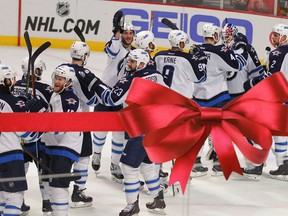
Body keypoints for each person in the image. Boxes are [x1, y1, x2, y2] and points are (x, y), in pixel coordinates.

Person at [78, 49, 167, 216]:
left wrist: (95, 83)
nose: (129, 64)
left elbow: (110, 99)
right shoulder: (157, 75)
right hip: (157, 126)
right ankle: (158, 198)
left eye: (132, 62)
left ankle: (132, 204)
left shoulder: (130, 79)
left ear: (141, 64)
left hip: (141, 128)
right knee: (147, 165)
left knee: (128, 165)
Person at [192, 23, 246, 177]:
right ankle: (219, 164)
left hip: (199, 97)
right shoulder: (220, 51)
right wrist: (241, 52)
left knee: (198, 132)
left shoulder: (195, 50)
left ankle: (195, 162)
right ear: (215, 36)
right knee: (220, 131)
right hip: (218, 97)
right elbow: (236, 66)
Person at [153, 29, 207, 178]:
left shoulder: (158, 56)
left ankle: (157, 170)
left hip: (163, 102)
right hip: (182, 104)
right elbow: (200, 78)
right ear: (181, 42)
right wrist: (200, 58)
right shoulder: (187, 58)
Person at [92, 10, 135, 184]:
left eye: (131, 33)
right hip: (105, 92)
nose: (128, 35)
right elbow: (110, 49)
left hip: (122, 97)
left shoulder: (136, 53)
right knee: (101, 129)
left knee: (119, 134)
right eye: (125, 32)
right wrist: (115, 32)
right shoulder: (115, 45)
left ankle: (114, 164)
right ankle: (96, 154)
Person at [221, 23, 266, 179]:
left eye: (228, 35)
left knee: (246, 131)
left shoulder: (245, 50)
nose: (225, 38)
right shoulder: (224, 49)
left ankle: (256, 163)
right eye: (224, 35)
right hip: (228, 97)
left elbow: (257, 75)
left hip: (242, 97)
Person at [0, 64, 44, 216]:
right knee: (14, 198)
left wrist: (23, 106)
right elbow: (28, 134)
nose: (14, 81)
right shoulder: (13, 102)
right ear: (6, 81)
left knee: (1, 197)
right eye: (11, 78)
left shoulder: (14, 102)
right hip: (9, 157)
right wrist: (34, 114)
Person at [13, 57, 53, 216]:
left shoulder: (14, 85)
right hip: (38, 138)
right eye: (38, 69)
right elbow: (52, 108)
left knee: (20, 171)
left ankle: (19, 202)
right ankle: (47, 202)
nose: (40, 72)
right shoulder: (45, 88)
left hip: (17, 138)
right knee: (43, 172)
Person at [41, 65, 83, 215]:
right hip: (53, 146)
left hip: (66, 147)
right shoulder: (55, 95)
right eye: (56, 78)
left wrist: (38, 127)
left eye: (60, 79)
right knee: (50, 186)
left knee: (58, 186)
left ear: (69, 82)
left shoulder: (70, 99)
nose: (56, 82)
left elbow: (60, 127)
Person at [59, 41, 96, 208]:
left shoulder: (61, 69)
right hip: (81, 119)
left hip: (62, 118)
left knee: (63, 154)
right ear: (85, 56)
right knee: (83, 156)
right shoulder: (84, 73)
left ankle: (55, 192)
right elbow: (89, 99)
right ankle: (77, 192)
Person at [134, 30, 169, 183]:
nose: (153, 44)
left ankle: (154, 170)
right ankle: (151, 173)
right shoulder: (147, 62)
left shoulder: (142, 59)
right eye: (151, 42)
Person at [266, 23, 288, 181]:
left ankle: (283, 165)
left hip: (281, 97)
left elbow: (271, 78)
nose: (274, 37)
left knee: (279, 132)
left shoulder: (277, 53)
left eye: (277, 34)